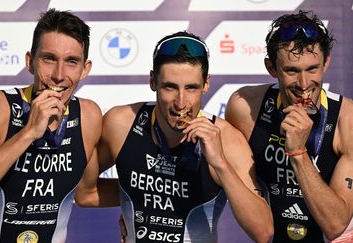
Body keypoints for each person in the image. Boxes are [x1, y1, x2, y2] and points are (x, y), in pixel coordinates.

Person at [83, 31, 274, 243]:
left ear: (206, 84)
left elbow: (263, 232)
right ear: (153, 81)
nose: (181, 102)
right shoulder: (121, 123)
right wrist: (135, 199)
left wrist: (220, 164)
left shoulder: (227, 140)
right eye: (170, 87)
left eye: (191, 88)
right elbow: (86, 194)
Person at [225, 10, 353, 243]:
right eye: (292, 71)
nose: (304, 84)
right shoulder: (245, 107)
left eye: (312, 69)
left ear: (326, 62)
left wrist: (298, 153)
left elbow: (336, 225)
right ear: (271, 68)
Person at [0, 9, 102, 243]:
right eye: (49, 59)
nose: (59, 75)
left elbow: (87, 193)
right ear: (30, 62)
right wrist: (28, 133)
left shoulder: (89, 115)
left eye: (71, 62)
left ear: (85, 69)